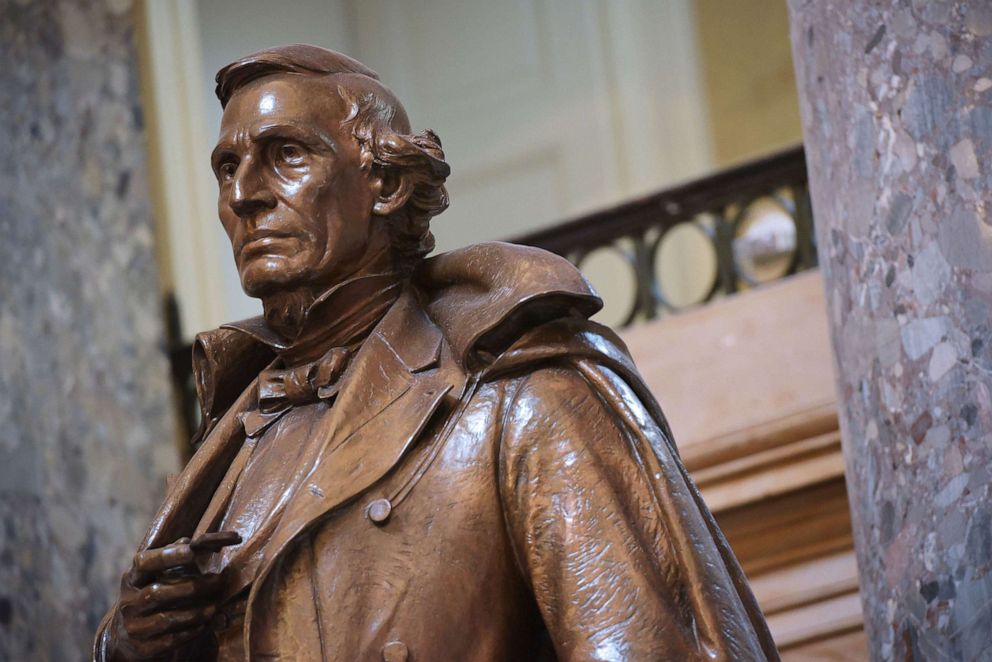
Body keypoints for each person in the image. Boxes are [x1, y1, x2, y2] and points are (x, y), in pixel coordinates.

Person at [94, 44, 777, 661]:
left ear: (386, 184)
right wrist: (130, 645)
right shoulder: (230, 452)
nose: (244, 196)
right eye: (227, 168)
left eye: (287, 155)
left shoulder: (521, 396)